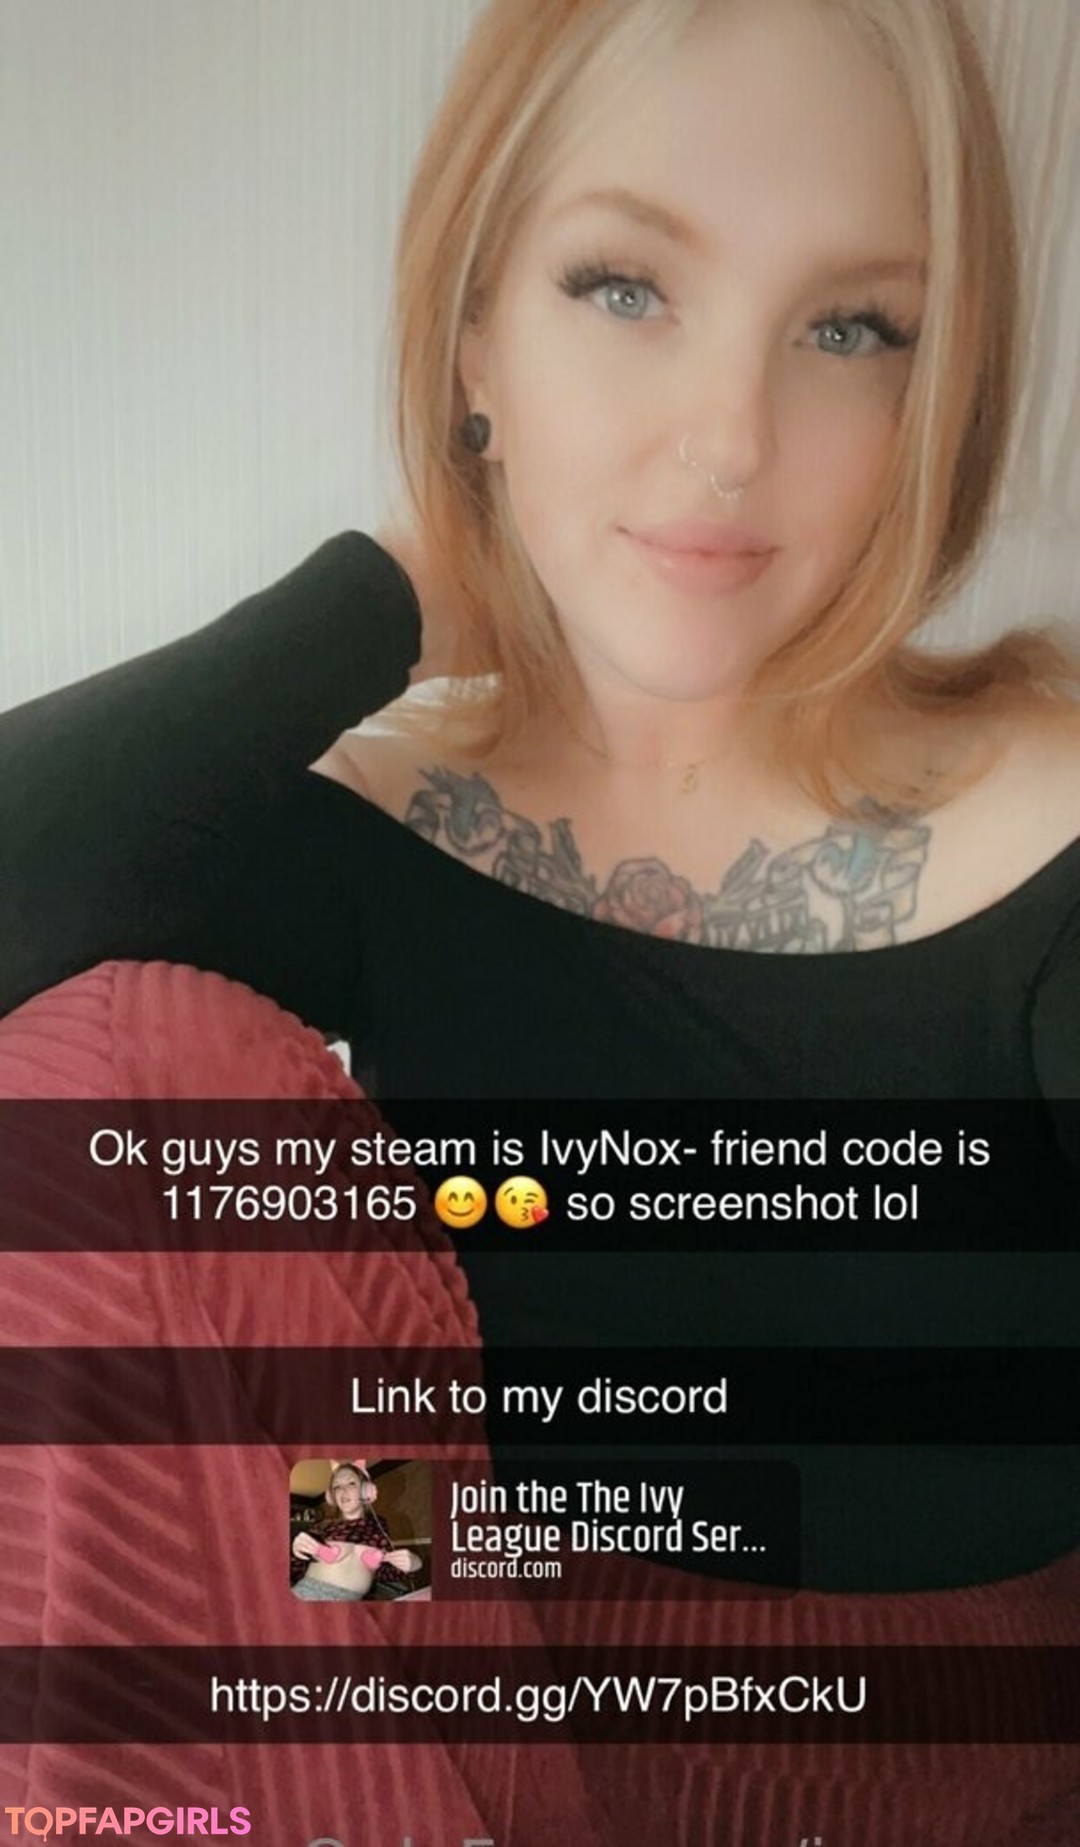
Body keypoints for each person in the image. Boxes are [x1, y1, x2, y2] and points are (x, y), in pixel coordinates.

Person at [1, 3, 1079, 1834]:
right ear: (477, 329)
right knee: (110, 1071)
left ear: (940, 390)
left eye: (850, 328)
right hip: (455, 1672)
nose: (727, 439)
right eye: (624, 288)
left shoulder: (1049, 815)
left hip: (936, 1743)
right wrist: (406, 586)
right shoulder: (376, 829)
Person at [290, 1460, 422, 1601]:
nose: (343, 1490)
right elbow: (294, 1569)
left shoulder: (378, 1528)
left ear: (366, 1491)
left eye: (351, 1483)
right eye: (336, 1486)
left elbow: (383, 1573)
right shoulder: (322, 1526)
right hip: (309, 1595)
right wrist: (295, 1551)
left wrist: (415, 1564)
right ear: (331, 1496)